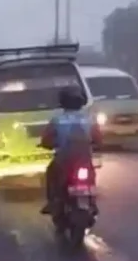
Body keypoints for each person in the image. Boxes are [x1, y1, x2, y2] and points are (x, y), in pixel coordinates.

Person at [39, 85, 100, 215]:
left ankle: (52, 202)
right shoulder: (90, 119)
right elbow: (98, 139)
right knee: (91, 175)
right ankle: (92, 202)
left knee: (51, 173)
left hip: (63, 159)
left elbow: (46, 140)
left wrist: (48, 144)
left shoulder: (57, 120)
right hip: (84, 159)